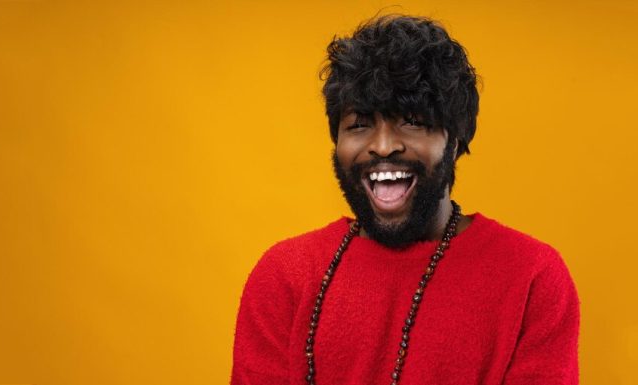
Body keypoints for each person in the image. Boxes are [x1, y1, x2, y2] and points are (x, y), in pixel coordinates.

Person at [231, 14, 579, 385]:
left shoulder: (533, 277)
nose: (383, 145)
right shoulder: (285, 275)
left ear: (456, 138)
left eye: (412, 121)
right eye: (359, 124)